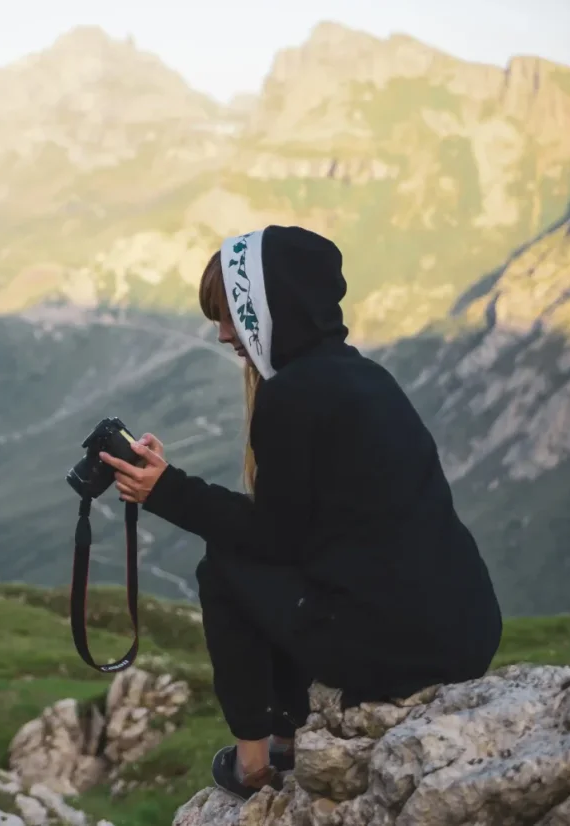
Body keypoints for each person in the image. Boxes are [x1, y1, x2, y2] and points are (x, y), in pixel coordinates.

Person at [99, 225, 502, 802]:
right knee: (273, 574)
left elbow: (272, 541)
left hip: (400, 649)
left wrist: (165, 491)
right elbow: (300, 527)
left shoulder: (291, 397)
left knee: (224, 568)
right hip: (466, 629)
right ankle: (289, 738)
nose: (221, 334)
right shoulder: (363, 375)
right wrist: (171, 487)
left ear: (268, 307)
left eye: (230, 313)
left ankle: (257, 762)